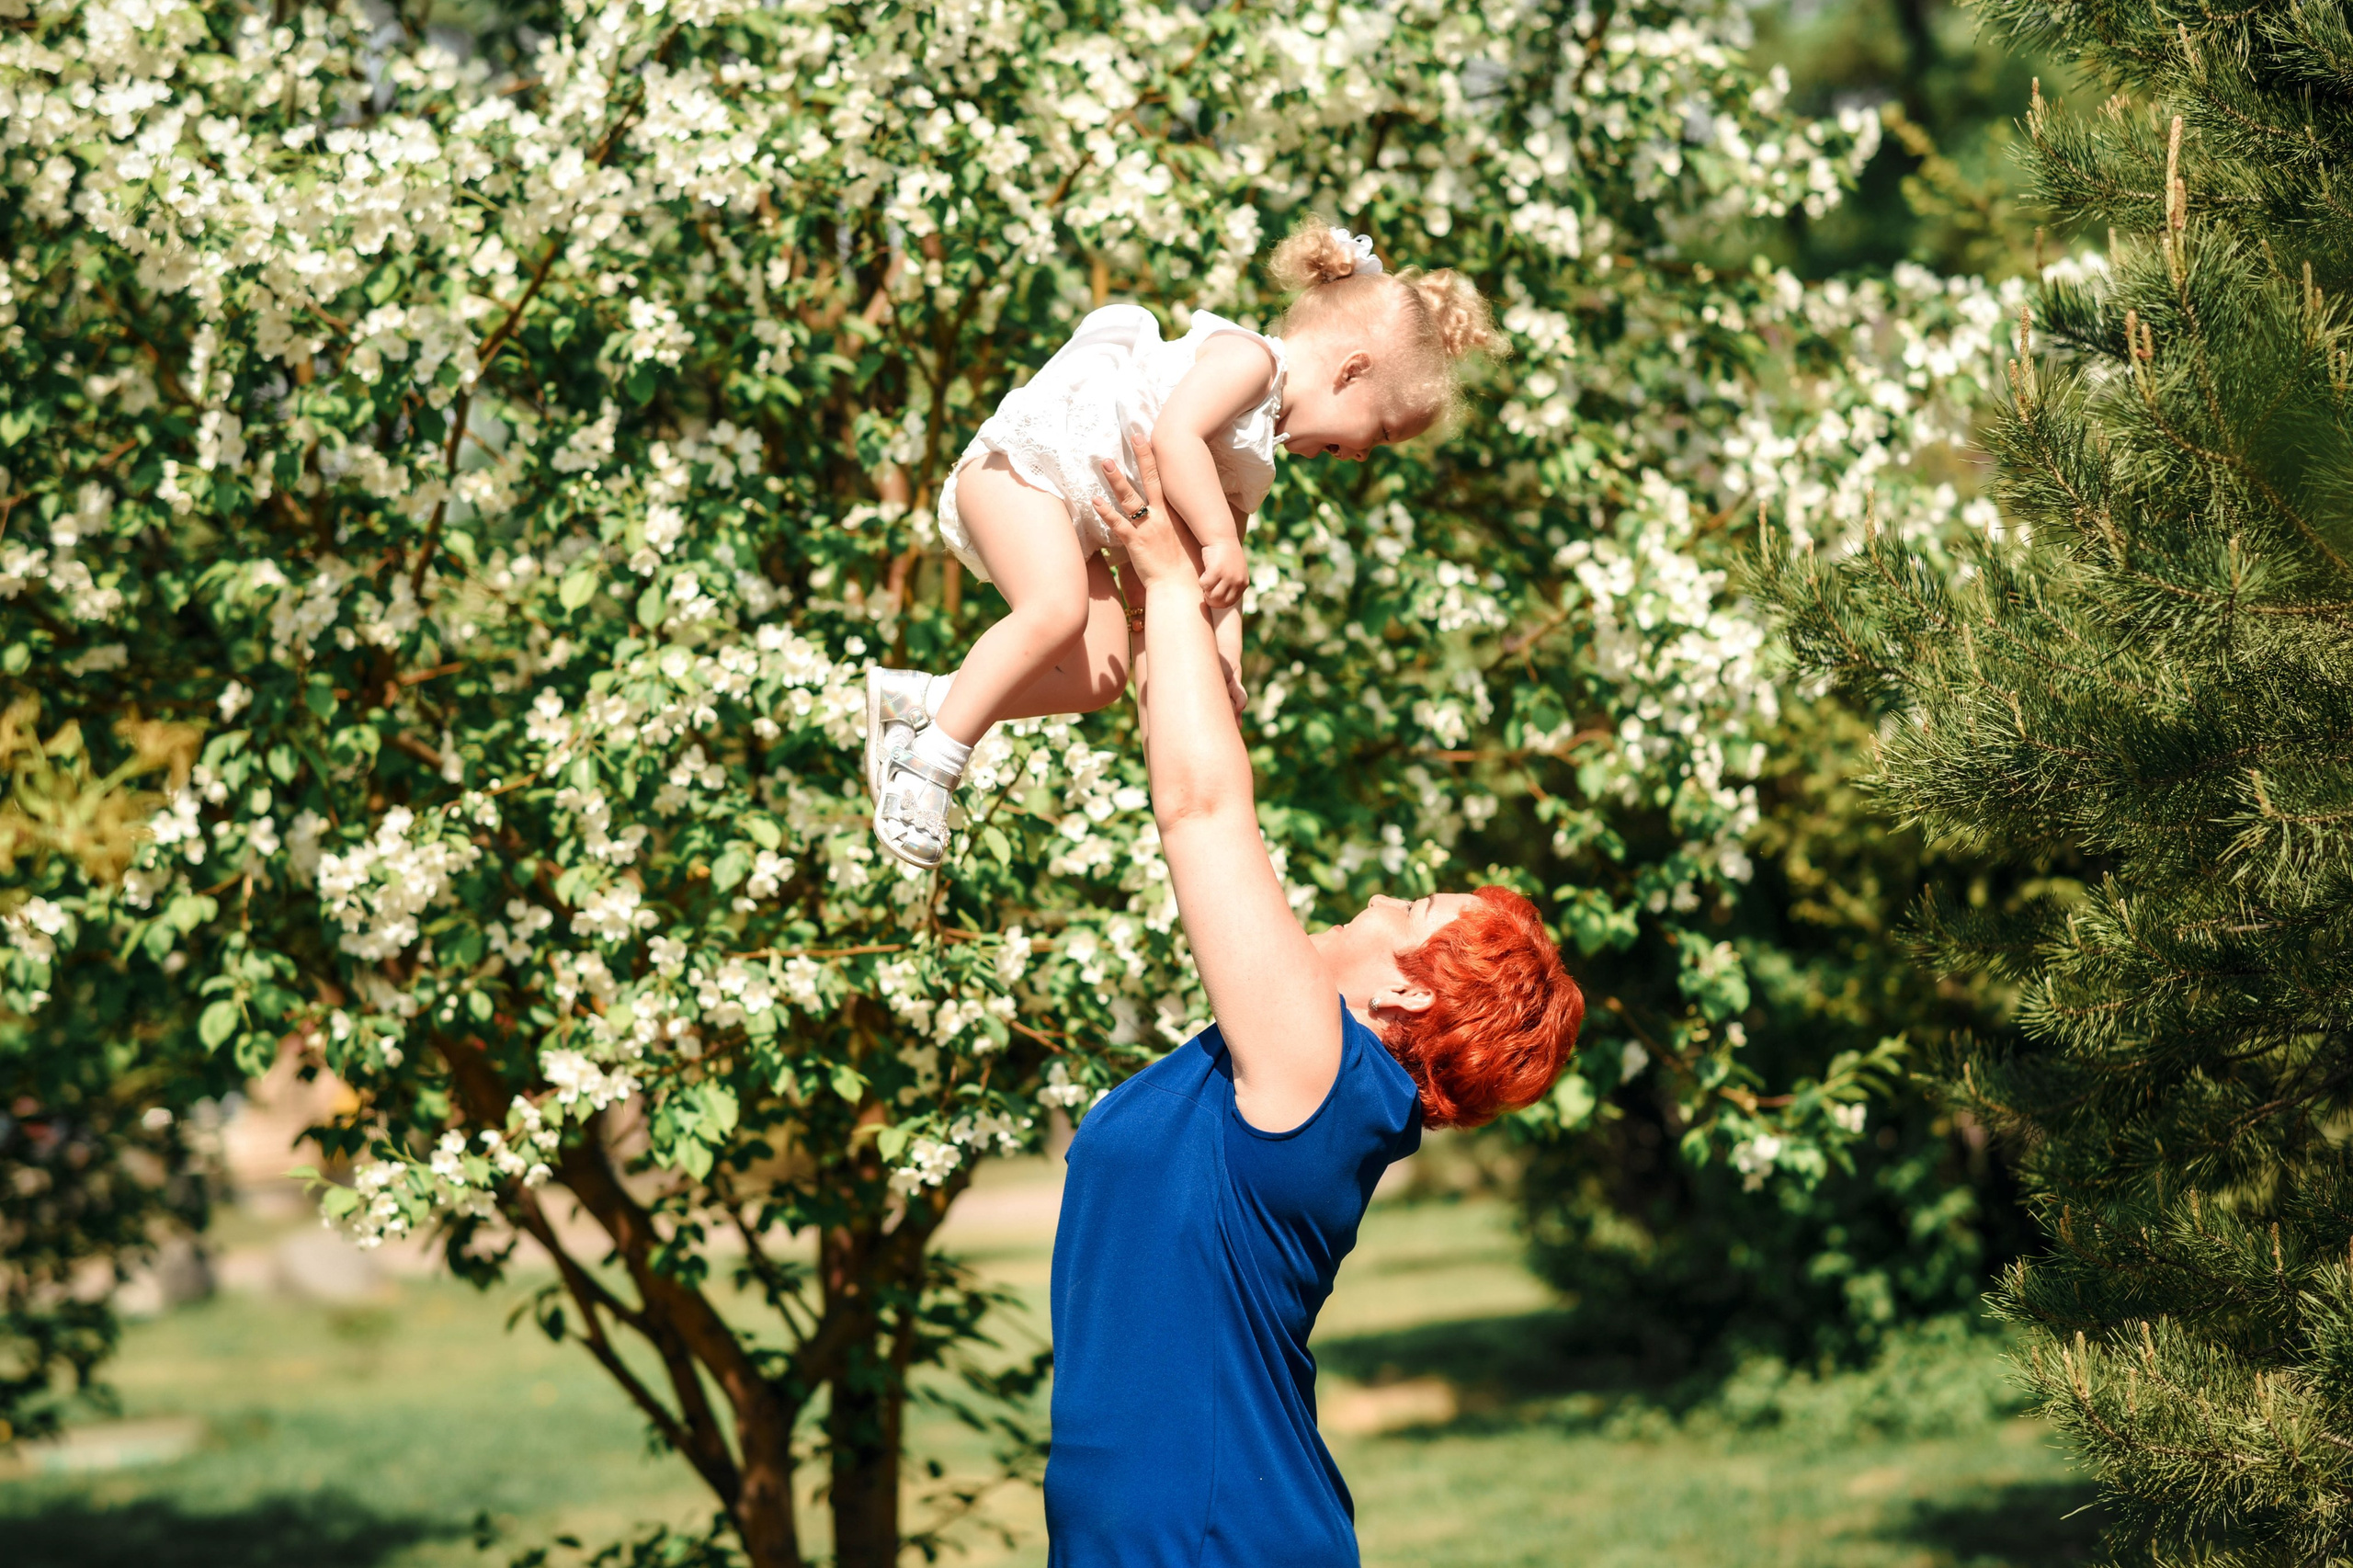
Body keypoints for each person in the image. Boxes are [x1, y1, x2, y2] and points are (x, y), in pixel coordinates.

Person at [1041, 437, 1583, 1567]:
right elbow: (1188, 756)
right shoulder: (1304, 1076)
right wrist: (1170, 611)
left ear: (1408, 988)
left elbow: (1200, 808)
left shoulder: (1324, 1078)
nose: (1384, 894)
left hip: (1215, 1542)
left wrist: (1171, 580)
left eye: (1414, 906)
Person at [861, 222, 1500, 868]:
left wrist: (1226, 665)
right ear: (1352, 372)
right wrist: (1223, 540)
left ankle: (924, 700)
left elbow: (1219, 583)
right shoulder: (1249, 360)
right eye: (1381, 432)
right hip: (1023, 472)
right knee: (1056, 613)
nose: (1363, 456)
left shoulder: (1253, 463)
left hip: (1069, 517)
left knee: (1100, 676)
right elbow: (1176, 436)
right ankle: (929, 764)